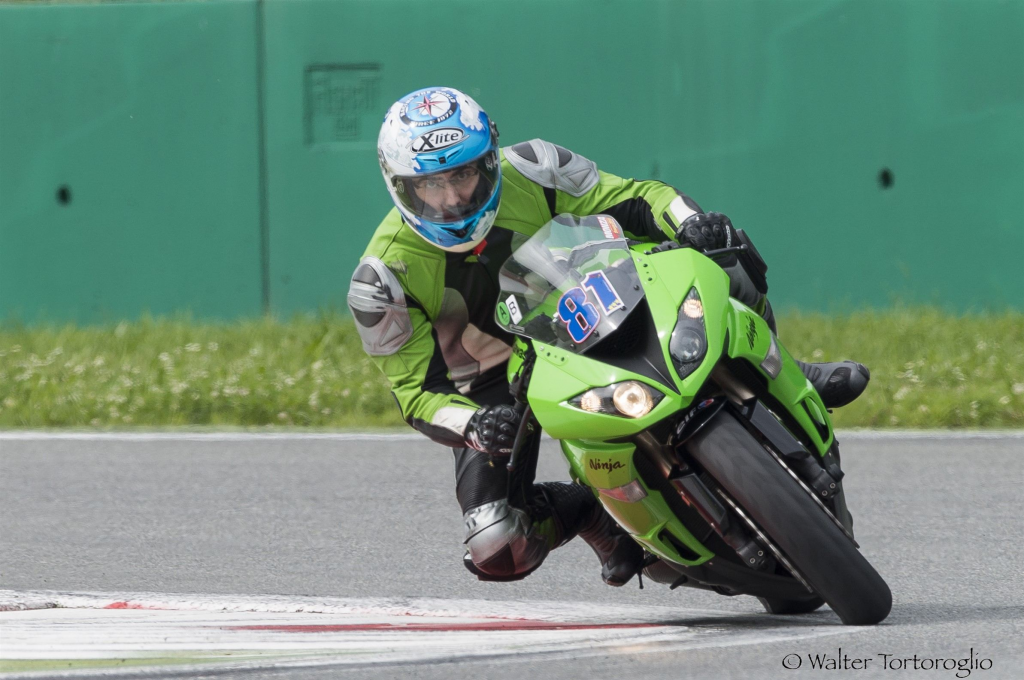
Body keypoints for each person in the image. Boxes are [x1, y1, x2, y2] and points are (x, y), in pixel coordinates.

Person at [348, 87, 869, 586]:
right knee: (497, 544)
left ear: (489, 160)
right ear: (399, 186)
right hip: (495, 387)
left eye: (463, 175)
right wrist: (474, 424)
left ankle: (788, 370)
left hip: (591, 301)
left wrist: (691, 223)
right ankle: (591, 513)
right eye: (430, 185)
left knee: (720, 253)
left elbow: (637, 197)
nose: (453, 199)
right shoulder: (381, 281)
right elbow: (416, 393)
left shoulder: (534, 165)